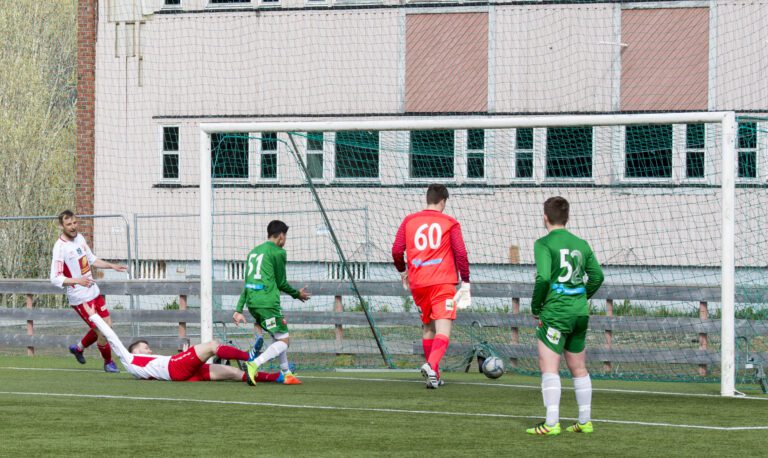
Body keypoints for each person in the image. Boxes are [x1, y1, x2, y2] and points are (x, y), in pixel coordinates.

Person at [526, 197, 604, 436]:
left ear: (545, 217)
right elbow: (598, 276)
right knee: (579, 367)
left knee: (549, 366)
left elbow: (544, 278)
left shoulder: (543, 244)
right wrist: (581, 297)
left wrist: (537, 306)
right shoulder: (581, 244)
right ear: (567, 218)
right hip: (579, 312)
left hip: (556, 312)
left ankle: (551, 423)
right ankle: (585, 420)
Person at [81, 301, 285, 384]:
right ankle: (249, 356)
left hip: (181, 372)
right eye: (144, 347)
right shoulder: (131, 360)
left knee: (233, 373)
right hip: (176, 368)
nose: (148, 349)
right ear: (135, 351)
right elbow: (113, 339)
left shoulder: (149, 364)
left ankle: (276, 378)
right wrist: (94, 317)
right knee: (212, 345)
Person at [391, 184, 470, 389]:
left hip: (419, 283)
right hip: (442, 282)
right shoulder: (450, 222)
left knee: (428, 326)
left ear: (427, 199)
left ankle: (433, 375)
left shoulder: (410, 220)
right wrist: (466, 281)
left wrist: (403, 272)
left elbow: (397, 250)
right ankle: (431, 365)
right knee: (443, 327)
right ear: (443, 201)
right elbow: (460, 253)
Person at [50, 210, 126, 373]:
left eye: (74, 223)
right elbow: (55, 278)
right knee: (103, 331)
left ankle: (78, 348)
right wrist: (78, 281)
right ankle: (108, 362)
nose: (72, 227)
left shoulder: (80, 238)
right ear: (61, 226)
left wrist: (111, 266)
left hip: (94, 292)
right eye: (68, 224)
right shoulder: (60, 248)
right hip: (80, 298)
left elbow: (92, 260)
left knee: (108, 326)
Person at [237, 220, 311, 385]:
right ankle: (254, 363)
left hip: (253, 303)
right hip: (267, 304)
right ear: (281, 236)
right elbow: (281, 283)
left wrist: (239, 309)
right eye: (286, 237)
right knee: (284, 341)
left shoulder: (253, 252)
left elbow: (247, 283)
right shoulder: (278, 252)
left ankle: (287, 374)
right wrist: (297, 294)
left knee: (278, 337)